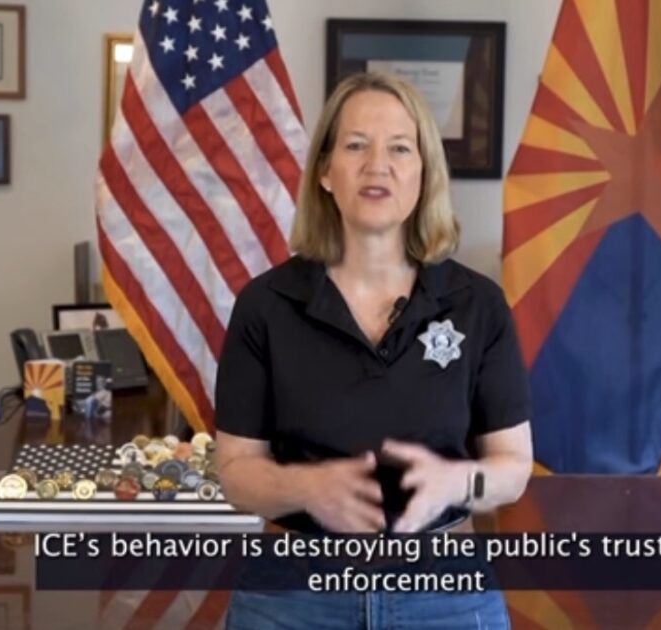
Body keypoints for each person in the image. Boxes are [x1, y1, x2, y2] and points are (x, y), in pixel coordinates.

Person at [215, 71, 533, 629]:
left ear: (423, 174)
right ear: (325, 172)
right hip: (293, 596)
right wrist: (305, 487)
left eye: (400, 148)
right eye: (356, 145)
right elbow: (236, 471)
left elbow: (513, 468)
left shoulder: (479, 306)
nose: (377, 164)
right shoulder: (264, 306)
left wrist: (454, 482)